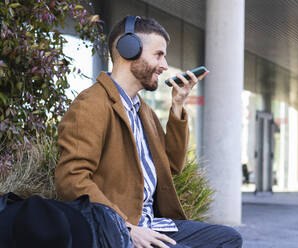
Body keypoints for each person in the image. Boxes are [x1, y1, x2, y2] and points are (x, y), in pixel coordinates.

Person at [55, 15, 242, 248]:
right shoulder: (91, 105)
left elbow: (173, 164)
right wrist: (127, 227)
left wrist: (177, 106)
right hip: (119, 229)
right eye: (158, 55)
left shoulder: (142, 110)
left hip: (150, 223)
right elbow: (71, 179)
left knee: (229, 238)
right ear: (128, 49)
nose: (164, 65)